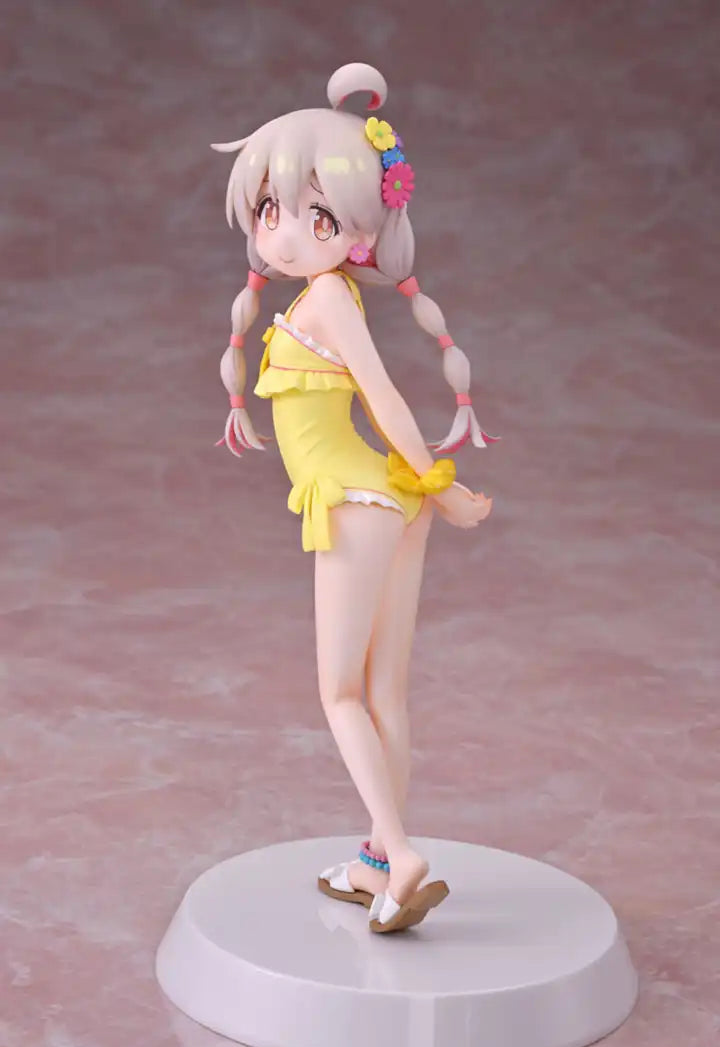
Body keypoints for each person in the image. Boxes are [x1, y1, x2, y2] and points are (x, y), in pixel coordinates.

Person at [212, 62, 496, 933]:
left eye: (318, 218)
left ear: (362, 230)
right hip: (382, 500)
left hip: (355, 500)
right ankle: (376, 861)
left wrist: (442, 487)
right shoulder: (323, 298)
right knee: (385, 695)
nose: (286, 234)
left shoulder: (328, 299)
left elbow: (385, 397)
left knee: (339, 694)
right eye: (271, 210)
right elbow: (375, 405)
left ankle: (400, 852)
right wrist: (428, 494)